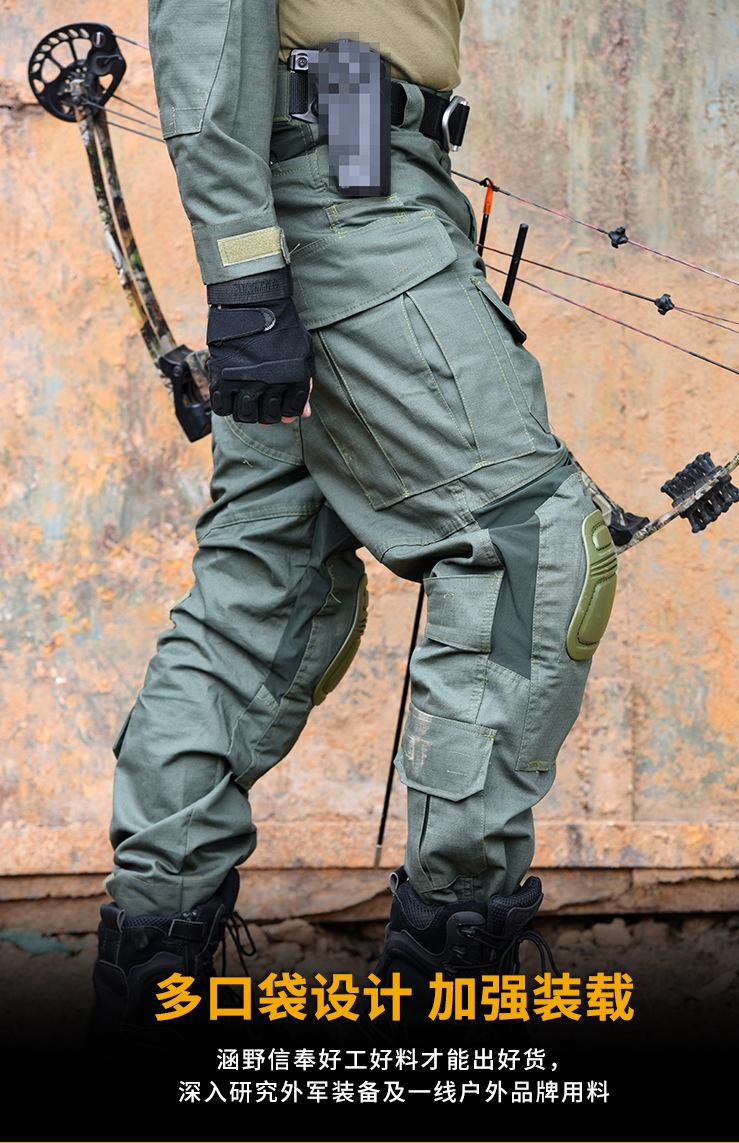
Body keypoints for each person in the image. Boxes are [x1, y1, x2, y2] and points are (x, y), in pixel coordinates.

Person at [91, 0, 617, 1030]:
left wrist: (257, 274)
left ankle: (153, 971)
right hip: (347, 196)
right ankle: (452, 967)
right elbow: (206, 29)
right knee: (532, 540)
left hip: (370, 180)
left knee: (268, 589)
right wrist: (246, 281)